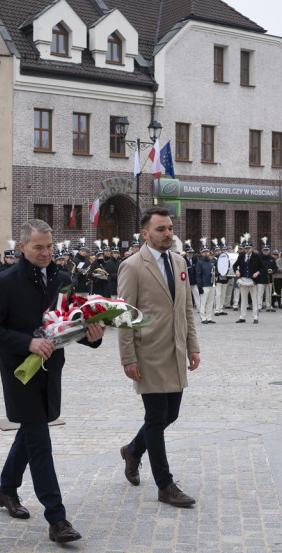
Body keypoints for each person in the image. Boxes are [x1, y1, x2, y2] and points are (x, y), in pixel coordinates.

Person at [0, 219, 104, 544]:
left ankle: (6, 490)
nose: (46, 252)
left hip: (51, 372)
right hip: (20, 373)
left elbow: (70, 324)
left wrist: (92, 335)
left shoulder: (63, 279)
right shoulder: (3, 281)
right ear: (22, 247)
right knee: (39, 439)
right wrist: (27, 343)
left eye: (49, 246)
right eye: (38, 247)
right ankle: (57, 518)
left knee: (31, 433)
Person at [117, 207, 200, 507]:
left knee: (171, 415)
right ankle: (165, 485)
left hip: (176, 351)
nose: (168, 233)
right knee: (155, 418)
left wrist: (193, 345)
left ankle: (133, 450)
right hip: (148, 353)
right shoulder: (132, 266)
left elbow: (186, 308)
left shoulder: (178, 261)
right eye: (161, 229)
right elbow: (124, 316)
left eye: (170, 228)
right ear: (145, 233)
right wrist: (128, 357)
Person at [233, 240, 262, 324]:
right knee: (243, 300)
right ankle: (242, 317)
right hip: (243, 280)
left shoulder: (257, 256)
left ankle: (255, 317)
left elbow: (262, 268)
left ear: (252, 248)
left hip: (253, 281)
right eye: (246, 248)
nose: (247, 250)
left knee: (254, 299)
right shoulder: (241, 256)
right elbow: (234, 265)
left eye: (248, 248)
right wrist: (237, 271)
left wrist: (257, 272)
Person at [195, 243, 216, 324]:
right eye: (204, 252)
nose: (206, 253)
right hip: (204, 285)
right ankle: (203, 318)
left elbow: (215, 271)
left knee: (211, 302)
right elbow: (198, 275)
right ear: (201, 253)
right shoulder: (199, 263)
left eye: (207, 251)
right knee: (203, 302)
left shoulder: (212, 261)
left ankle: (209, 317)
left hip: (212, 284)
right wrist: (199, 286)